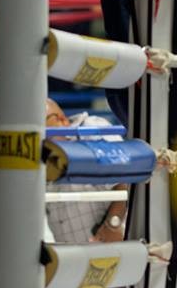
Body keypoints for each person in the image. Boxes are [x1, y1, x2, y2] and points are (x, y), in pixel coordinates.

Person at [43, 98, 127, 243]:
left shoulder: (91, 128)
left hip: (112, 247)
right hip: (70, 253)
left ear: (61, 119)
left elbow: (127, 180)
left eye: (41, 127)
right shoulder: (44, 154)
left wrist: (113, 225)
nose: (39, 137)